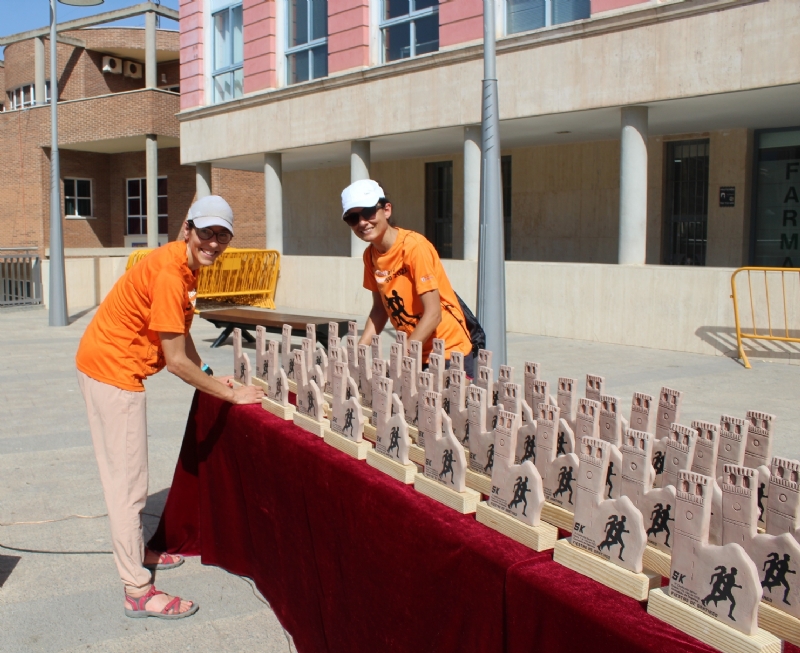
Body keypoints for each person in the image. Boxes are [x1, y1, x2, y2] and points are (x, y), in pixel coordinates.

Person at [75, 195, 264, 619]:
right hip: (113, 373)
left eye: (222, 235)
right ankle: (137, 591)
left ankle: (138, 552)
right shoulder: (168, 274)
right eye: (206, 232)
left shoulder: (182, 266)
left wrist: (213, 374)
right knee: (128, 486)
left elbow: (179, 335)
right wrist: (230, 394)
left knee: (128, 480)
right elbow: (175, 361)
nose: (213, 243)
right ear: (187, 229)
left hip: (105, 364)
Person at [341, 179, 474, 377]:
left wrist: (403, 355)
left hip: (448, 352)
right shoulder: (370, 256)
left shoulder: (413, 247)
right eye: (353, 218)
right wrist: (358, 353)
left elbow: (434, 313)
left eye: (368, 212)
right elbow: (379, 310)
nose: (362, 222)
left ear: (386, 210)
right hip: (416, 353)